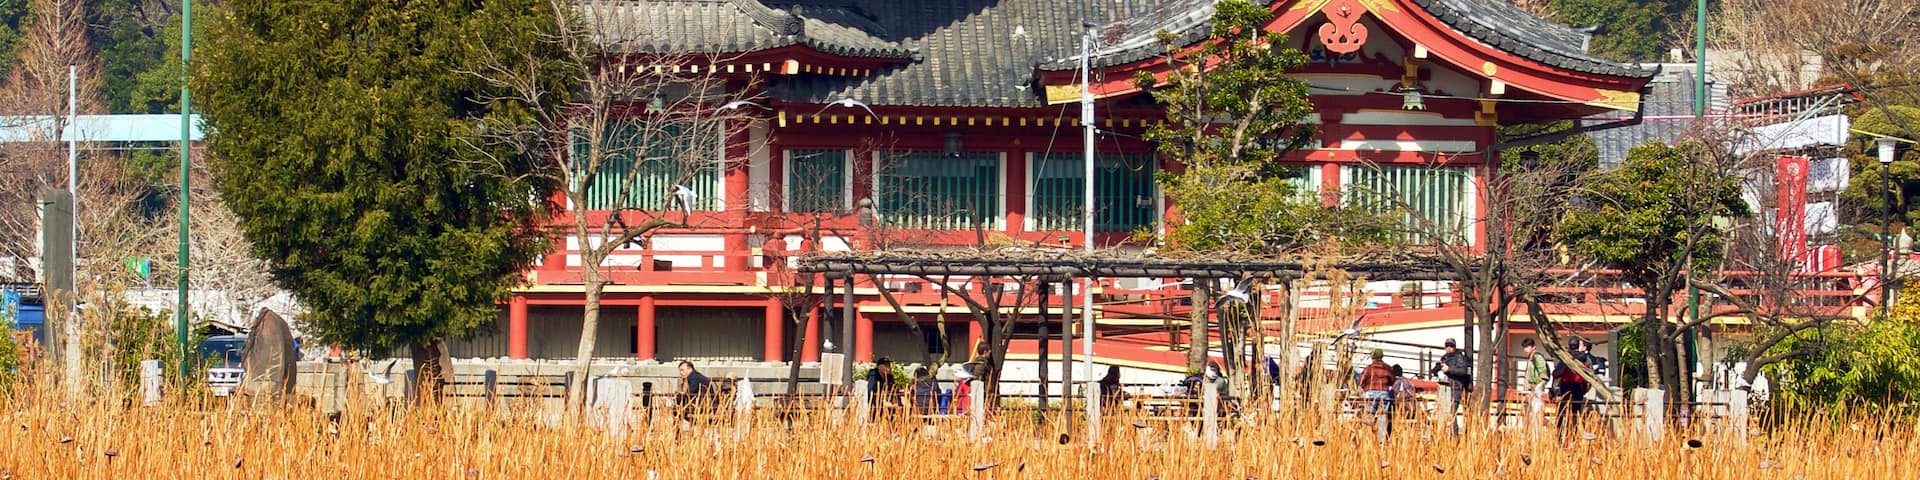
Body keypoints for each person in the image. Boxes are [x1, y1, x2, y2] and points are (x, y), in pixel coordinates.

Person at [1426, 338, 1472, 432]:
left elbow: (1463, 371)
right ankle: (1445, 435)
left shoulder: (1459, 357)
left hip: (1455, 388)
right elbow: (1435, 371)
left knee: (1452, 413)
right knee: (1444, 413)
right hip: (1444, 389)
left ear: (1454, 347)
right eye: (1447, 346)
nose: (1449, 348)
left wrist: (1449, 369)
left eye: (1451, 346)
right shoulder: (1444, 358)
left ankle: (1454, 436)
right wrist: (1436, 370)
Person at [1554, 337, 1594, 437]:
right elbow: (1590, 374)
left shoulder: (1565, 358)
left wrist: (1556, 391)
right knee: (1576, 413)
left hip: (1565, 387)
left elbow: (1556, 374)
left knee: (1562, 413)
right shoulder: (1585, 359)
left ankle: (1560, 436)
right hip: (1579, 388)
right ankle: (1574, 435)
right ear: (1578, 346)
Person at [1357, 348, 1395, 416]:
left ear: (1372, 357)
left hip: (1371, 392)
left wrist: (1366, 389)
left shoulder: (1368, 368)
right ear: (1382, 356)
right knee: (1382, 415)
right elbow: (1392, 381)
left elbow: (1361, 381)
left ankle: (1370, 426)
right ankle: (1381, 426)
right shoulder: (1388, 368)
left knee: (1369, 415)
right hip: (1384, 393)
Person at [1523, 338, 1551, 425]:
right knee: (1531, 408)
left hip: (1536, 385)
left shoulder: (1537, 357)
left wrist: (1539, 383)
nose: (1526, 349)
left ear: (1533, 347)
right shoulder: (1531, 357)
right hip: (1532, 386)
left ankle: (1546, 425)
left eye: (1528, 347)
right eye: (1525, 347)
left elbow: (1543, 371)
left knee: (1536, 408)